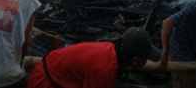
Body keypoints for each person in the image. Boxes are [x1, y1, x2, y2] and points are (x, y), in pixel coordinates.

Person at [27, 27, 161, 88]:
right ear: (136, 59)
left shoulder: (111, 51)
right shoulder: (103, 70)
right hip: (44, 83)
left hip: (54, 77)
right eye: (145, 57)